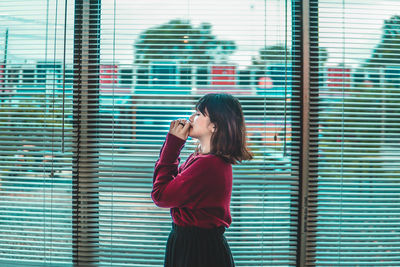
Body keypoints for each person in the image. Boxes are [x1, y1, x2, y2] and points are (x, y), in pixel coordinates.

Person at [151, 93, 253, 267]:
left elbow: (161, 195)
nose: (191, 118)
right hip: (192, 244)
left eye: (198, 114)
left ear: (214, 126)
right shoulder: (200, 158)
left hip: (198, 249)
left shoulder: (209, 165)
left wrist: (173, 144)